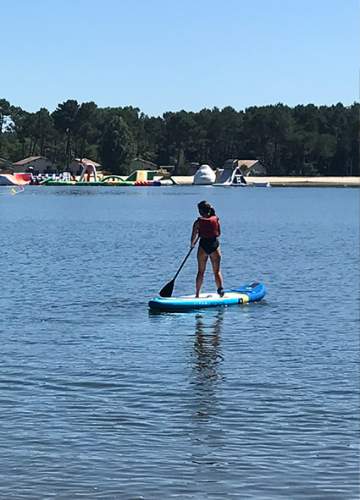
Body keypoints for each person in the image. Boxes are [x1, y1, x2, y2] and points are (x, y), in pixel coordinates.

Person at [191, 200, 224, 298]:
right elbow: (219, 232)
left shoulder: (197, 222)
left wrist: (192, 245)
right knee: (217, 271)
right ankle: (221, 291)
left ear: (200, 211)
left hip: (203, 247)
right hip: (214, 246)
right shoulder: (216, 219)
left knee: (201, 271)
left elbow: (193, 237)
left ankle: (197, 294)